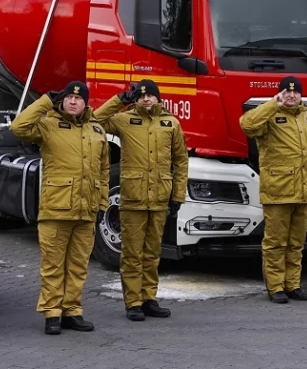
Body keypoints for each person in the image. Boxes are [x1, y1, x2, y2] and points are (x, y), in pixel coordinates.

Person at [10, 80, 107, 335]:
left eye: (78, 98)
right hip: (56, 207)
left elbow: (104, 169)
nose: (73, 101)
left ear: (86, 102)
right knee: (53, 264)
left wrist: (102, 202)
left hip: (86, 210)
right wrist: (44, 100)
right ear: (62, 101)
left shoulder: (97, 130)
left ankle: (72, 311)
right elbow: (18, 127)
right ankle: (52, 313)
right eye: (68, 98)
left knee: (78, 265)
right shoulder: (48, 125)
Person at [93, 79, 188, 322]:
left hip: (159, 199)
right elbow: (95, 121)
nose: (146, 99)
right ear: (136, 99)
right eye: (142, 96)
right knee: (132, 253)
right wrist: (119, 100)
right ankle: (133, 302)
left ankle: (149, 299)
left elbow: (180, 161)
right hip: (133, 198)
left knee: (152, 253)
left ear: (158, 98)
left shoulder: (170, 123)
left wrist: (177, 195)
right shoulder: (124, 120)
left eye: (151, 95)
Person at [239, 76, 307, 304]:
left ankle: (293, 285)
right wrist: (272, 103)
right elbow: (246, 124)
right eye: (286, 92)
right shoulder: (269, 116)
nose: (291, 95)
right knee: (275, 243)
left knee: (296, 243)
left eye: (295, 92)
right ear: (280, 94)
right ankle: (276, 286)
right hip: (278, 191)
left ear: (301, 95)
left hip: (304, 191)